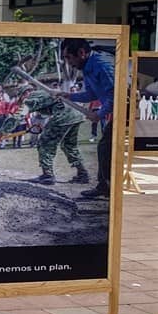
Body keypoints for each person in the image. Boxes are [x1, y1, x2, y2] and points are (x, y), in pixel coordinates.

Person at [59, 38, 114, 199]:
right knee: (104, 147)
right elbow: (91, 94)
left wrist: (99, 114)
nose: (68, 63)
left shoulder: (102, 65)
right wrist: (69, 96)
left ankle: (107, 186)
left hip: (126, 111)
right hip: (112, 111)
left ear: (81, 53)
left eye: (69, 57)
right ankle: (104, 185)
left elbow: (116, 94)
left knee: (105, 147)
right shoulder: (87, 68)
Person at [24, 90, 89, 186]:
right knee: (69, 145)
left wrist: (0, 134)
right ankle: (83, 174)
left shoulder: (32, 97)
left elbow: (18, 116)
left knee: (45, 143)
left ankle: (47, 175)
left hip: (63, 115)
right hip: (76, 114)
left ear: (24, 94)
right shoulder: (43, 93)